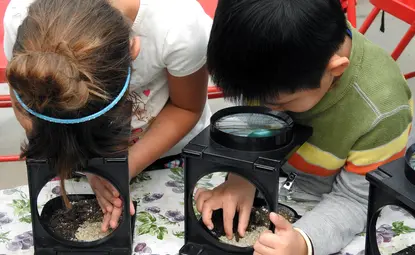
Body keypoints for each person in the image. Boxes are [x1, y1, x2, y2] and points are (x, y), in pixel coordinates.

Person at [195, 0, 413, 254]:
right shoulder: (262, 60)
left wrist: (303, 243)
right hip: (276, 181)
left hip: (334, 208)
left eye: (278, 103)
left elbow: (357, 200)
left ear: (336, 70)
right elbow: (250, 128)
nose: (269, 112)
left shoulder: (383, 112)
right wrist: (242, 177)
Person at [4, 0, 211, 232]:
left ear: (133, 48)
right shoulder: (22, 18)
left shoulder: (178, 25)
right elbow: (27, 105)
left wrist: (122, 166)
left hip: (165, 151)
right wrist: (90, 166)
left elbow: (186, 107)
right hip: (72, 155)